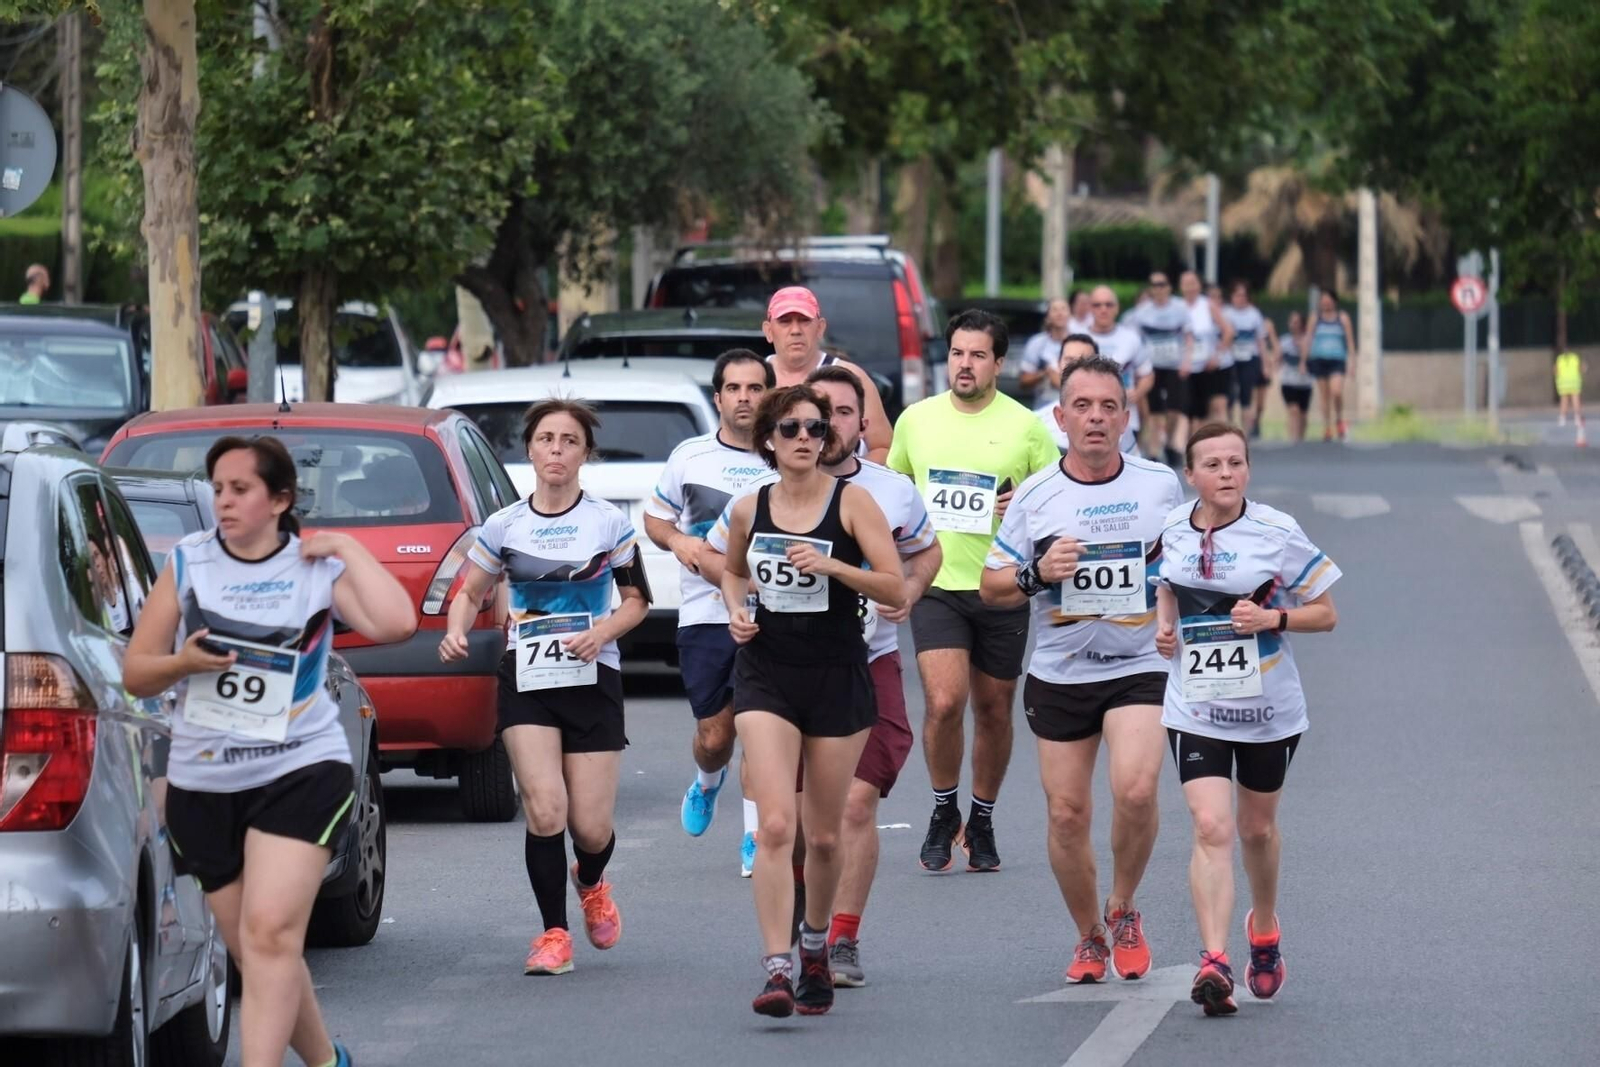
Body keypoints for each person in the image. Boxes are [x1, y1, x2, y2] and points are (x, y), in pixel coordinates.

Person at [125, 435, 417, 1067]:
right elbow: (137, 672)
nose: (223, 501)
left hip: (300, 769)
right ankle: (326, 1060)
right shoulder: (189, 562)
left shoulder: (316, 565)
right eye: (218, 488)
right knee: (261, 951)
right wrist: (184, 661)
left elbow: (396, 624)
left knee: (270, 936)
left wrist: (346, 548)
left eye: (239, 489)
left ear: (280, 499)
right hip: (203, 782)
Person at [982, 356, 1186, 984]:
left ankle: (1123, 906)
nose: (1096, 418)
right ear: (1060, 416)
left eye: (1108, 407)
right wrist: (1037, 574)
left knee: (1135, 788)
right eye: (1083, 406)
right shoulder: (1038, 495)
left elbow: (1183, 563)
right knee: (1067, 814)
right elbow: (992, 586)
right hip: (1061, 669)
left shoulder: (1159, 485)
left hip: (1139, 664)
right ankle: (1089, 935)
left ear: (1126, 417)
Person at [440, 399, 652, 976]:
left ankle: (591, 878)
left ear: (585, 453)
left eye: (569, 441)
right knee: (544, 809)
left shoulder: (607, 523)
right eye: (546, 439)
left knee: (589, 826)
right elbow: (469, 591)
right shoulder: (505, 525)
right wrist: (457, 631)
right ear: (530, 449)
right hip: (528, 678)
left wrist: (601, 631)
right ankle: (553, 934)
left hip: (592, 677)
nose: (556, 450)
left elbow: (638, 602)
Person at [717, 384, 905, 1017]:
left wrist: (835, 570)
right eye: (792, 428)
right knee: (776, 824)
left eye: (816, 429)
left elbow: (894, 586)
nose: (804, 438)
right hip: (767, 670)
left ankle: (816, 945)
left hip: (836, 670)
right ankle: (776, 967)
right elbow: (732, 569)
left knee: (823, 837)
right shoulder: (750, 507)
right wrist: (735, 609)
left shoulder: (853, 504)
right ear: (768, 439)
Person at [1152, 423, 1340, 1015]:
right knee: (1212, 826)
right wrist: (1164, 626)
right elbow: (1166, 584)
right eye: (1213, 464)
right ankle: (1214, 960)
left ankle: (1263, 927)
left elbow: (1326, 614)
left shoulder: (1276, 532)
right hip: (1196, 705)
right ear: (1192, 476)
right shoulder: (1172, 528)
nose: (1227, 473)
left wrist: (1273, 621)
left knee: (1256, 830)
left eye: (1236, 462)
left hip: (1267, 711)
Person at [887, 309, 1060, 874]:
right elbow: (894, 494)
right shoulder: (916, 420)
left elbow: (1056, 501)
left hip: (1001, 587)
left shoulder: (1026, 427)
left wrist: (1022, 509)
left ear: (999, 363)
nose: (965, 364)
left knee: (993, 709)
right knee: (943, 702)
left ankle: (981, 816)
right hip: (937, 583)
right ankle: (943, 809)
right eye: (958, 353)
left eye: (978, 354)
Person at [804, 365, 941, 988]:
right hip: (793, 666)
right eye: (816, 411)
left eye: (840, 411)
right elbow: (729, 558)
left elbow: (927, 550)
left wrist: (908, 590)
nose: (827, 423)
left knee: (858, 803)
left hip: (870, 659)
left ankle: (843, 937)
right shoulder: (771, 490)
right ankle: (804, 931)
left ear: (863, 423)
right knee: (809, 817)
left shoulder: (892, 492)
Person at [643, 350, 774, 868]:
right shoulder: (690, 456)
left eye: (755, 388)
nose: (745, 397)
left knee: (759, 726)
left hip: (771, 613)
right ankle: (707, 778)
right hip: (705, 613)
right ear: (718, 398)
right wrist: (679, 542)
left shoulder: (783, 454)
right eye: (735, 389)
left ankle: (754, 836)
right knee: (716, 736)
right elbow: (655, 519)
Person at [763, 286, 892, 462]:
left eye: (804, 320)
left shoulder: (851, 376)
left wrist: (844, 485)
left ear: (820, 328)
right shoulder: (752, 380)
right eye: (785, 321)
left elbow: (884, 448)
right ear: (769, 331)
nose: (795, 330)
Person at [1125, 272, 1193, 467]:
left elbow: (1188, 336)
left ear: (1169, 287)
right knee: (1155, 411)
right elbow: (1135, 340)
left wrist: (1187, 361)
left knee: (1175, 409)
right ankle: (1154, 451)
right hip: (1152, 366)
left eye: (1162, 284)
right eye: (1155, 285)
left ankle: (1170, 444)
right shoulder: (1142, 312)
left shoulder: (1180, 308)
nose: (1159, 288)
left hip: (1174, 365)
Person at [1084, 286, 1154, 453]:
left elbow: (1147, 375)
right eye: (1097, 305)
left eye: (1109, 305)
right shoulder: (1078, 337)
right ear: (1090, 308)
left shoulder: (1131, 338)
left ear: (1117, 308)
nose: (1103, 309)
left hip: (1127, 419)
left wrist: (1138, 392)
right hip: (1089, 419)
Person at [1223, 282, 1278, 438]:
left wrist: (1265, 364)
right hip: (1230, 360)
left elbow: (1261, 341)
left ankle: (1245, 433)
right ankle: (1228, 431)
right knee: (1229, 396)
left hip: (1249, 358)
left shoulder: (1254, 314)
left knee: (1246, 396)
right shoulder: (1226, 313)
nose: (1240, 299)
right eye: (1237, 295)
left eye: (1243, 295)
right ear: (1232, 297)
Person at [1182, 273, 1236, 429]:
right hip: (1188, 369)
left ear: (1199, 286)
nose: (1190, 288)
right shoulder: (1178, 307)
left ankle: (1224, 441)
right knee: (1191, 413)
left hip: (1210, 367)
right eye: (1186, 284)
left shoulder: (1207, 305)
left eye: (1193, 283)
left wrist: (1217, 356)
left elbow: (1228, 331)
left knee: (1217, 406)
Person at [1306, 290, 1357, 441]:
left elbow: (1350, 341)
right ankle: (1327, 427)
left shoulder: (1343, 318)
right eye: (1323, 300)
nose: (1326, 303)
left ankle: (1339, 419)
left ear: (1335, 301)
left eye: (1329, 300)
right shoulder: (1315, 318)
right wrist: (1304, 360)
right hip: (1319, 359)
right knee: (1324, 396)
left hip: (1337, 360)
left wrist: (1352, 362)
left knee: (1336, 391)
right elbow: (1308, 339)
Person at [1020, 297, 1073, 401]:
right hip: (1043, 404)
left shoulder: (1080, 342)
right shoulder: (1036, 343)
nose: (1059, 313)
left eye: (1063, 309)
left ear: (1070, 315)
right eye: (1055, 310)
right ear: (1047, 317)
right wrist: (1045, 373)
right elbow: (1023, 381)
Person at [1277, 311, 1313, 443]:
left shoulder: (1308, 340)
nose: (1294, 325)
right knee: (1293, 410)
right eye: (1292, 322)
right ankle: (1293, 439)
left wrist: (1303, 346)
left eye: (1296, 322)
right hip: (1288, 381)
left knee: (1303, 414)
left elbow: (1310, 358)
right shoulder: (1284, 340)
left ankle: (1301, 440)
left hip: (1304, 382)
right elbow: (1278, 358)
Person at [1555, 349, 1585, 430]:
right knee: (1576, 400)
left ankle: (1562, 419)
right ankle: (1577, 418)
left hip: (1563, 383)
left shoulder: (1559, 359)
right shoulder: (1575, 358)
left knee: (1564, 401)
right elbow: (1581, 369)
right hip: (1574, 382)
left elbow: (1556, 371)